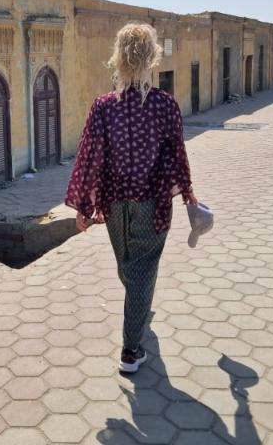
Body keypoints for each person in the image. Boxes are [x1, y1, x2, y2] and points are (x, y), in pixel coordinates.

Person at [65, 22, 197, 373]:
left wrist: (84, 206)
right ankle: (131, 349)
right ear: (151, 58)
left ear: (118, 57)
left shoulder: (103, 107)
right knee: (140, 268)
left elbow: (89, 156)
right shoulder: (164, 105)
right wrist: (187, 193)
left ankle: (137, 311)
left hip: (114, 201)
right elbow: (175, 156)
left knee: (129, 264)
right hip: (150, 201)